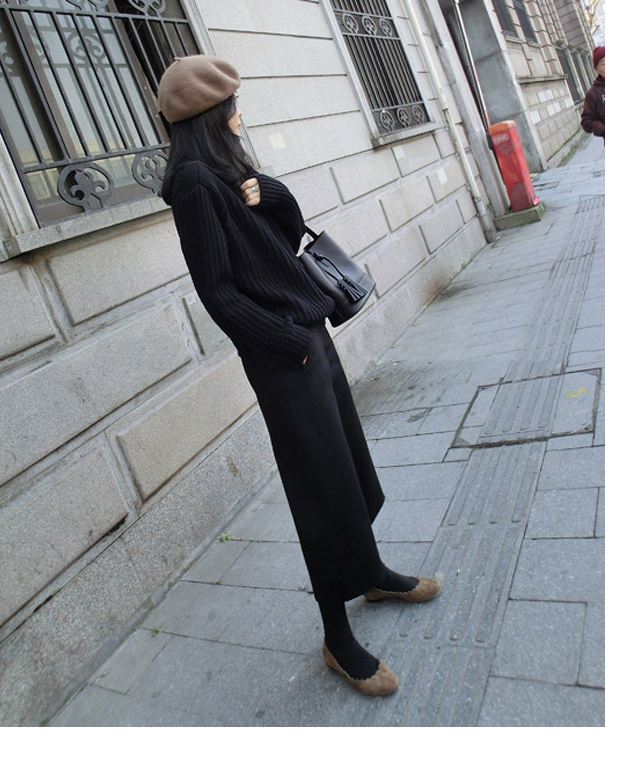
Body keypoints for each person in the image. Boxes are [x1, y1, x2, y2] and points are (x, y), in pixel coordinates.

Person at [157, 55, 440, 696]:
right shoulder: (196, 184)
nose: (240, 114)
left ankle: (372, 574)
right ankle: (337, 638)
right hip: (284, 354)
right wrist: (288, 343)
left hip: (309, 337)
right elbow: (218, 293)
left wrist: (270, 191)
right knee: (319, 487)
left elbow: (283, 242)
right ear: (211, 115)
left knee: (346, 465)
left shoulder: (228, 170)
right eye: (232, 105)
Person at [581, 45, 605, 141]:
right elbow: (587, 121)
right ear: (596, 69)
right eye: (604, 63)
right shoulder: (593, 93)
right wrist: (603, 130)